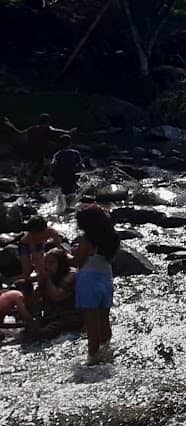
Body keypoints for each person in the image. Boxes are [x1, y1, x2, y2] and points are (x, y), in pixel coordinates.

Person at [71, 205, 119, 363]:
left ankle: (92, 359)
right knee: (104, 321)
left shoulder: (87, 240)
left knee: (91, 325)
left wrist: (72, 253)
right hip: (106, 278)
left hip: (88, 280)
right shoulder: (112, 238)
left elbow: (77, 261)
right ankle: (106, 353)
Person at [49, 146, 83, 212]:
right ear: (69, 143)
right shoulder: (75, 153)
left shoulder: (57, 154)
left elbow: (53, 166)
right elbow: (80, 165)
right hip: (72, 175)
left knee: (64, 191)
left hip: (61, 176)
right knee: (71, 190)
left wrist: (50, 176)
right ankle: (69, 207)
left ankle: (62, 208)